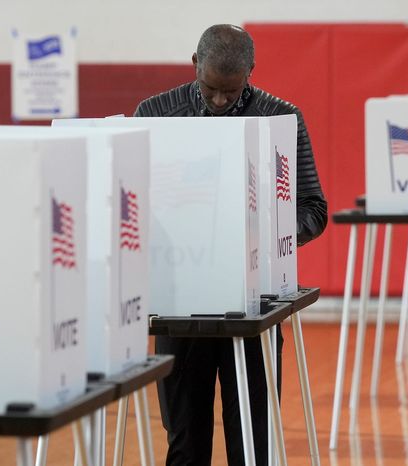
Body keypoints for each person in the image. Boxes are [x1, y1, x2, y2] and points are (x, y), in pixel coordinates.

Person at [134, 24, 327, 466]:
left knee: (253, 441)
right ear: (194, 66)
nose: (220, 101)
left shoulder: (281, 118)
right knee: (183, 440)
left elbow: (314, 208)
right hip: (181, 304)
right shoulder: (155, 112)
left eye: (231, 90)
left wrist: (269, 234)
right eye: (210, 89)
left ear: (251, 73)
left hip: (254, 301)